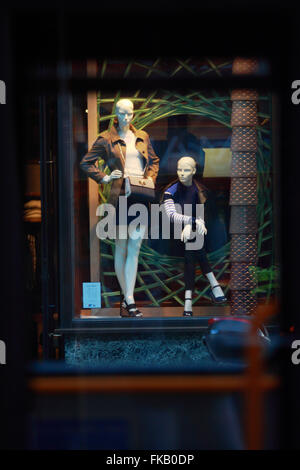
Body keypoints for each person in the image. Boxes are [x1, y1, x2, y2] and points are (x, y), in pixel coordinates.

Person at [80, 98, 160, 317]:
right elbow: (86, 163)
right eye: (122, 113)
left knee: (135, 248)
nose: (126, 118)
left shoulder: (142, 136)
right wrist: (105, 177)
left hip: (140, 195)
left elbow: (154, 161)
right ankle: (130, 300)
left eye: (130, 113)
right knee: (122, 248)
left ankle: (128, 300)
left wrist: (149, 179)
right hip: (119, 196)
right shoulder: (106, 139)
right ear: (116, 113)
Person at [163, 156, 227, 316]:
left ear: (193, 171)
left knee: (192, 247)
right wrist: (191, 222)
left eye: (186, 170)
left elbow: (206, 216)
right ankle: (214, 286)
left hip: (197, 235)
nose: (181, 173)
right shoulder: (170, 191)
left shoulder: (202, 192)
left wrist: (194, 224)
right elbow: (171, 215)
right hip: (173, 235)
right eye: (179, 169)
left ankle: (188, 304)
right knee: (193, 244)